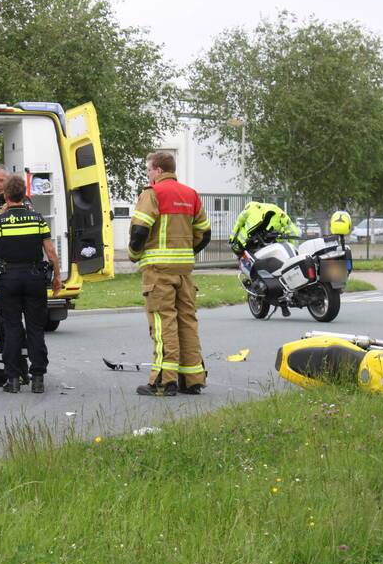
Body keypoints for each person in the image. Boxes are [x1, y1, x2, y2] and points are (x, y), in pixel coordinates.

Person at [128, 151, 211, 396]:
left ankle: (164, 380)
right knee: (187, 322)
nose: (148, 175)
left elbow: (140, 230)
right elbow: (204, 234)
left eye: (149, 170)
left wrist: (134, 255)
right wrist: (185, 252)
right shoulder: (190, 195)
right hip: (184, 272)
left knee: (164, 324)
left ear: (159, 171)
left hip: (158, 271)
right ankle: (192, 379)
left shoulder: (152, 194)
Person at [0, 174, 62, 393]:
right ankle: (37, 377)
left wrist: (1, 215)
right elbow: (50, 251)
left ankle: (12, 379)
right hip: (34, 278)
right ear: (24, 195)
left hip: (8, 278)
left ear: (7, 195)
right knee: (35, 329)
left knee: (11, 329)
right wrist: (57, 276)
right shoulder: (38, 219)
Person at [0, 163, 30, 387]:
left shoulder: (21, 203)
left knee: (8, 323)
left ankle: (17, 369)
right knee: (4, 323)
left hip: (12, 272)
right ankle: (6, 368)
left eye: (1, 180)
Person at [228, 201, 300, 255]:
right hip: (254, 244)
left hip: (266, 245)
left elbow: (293, 232)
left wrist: (294, 251)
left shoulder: (279, 214)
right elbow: (238, 223)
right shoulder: (251, 208)